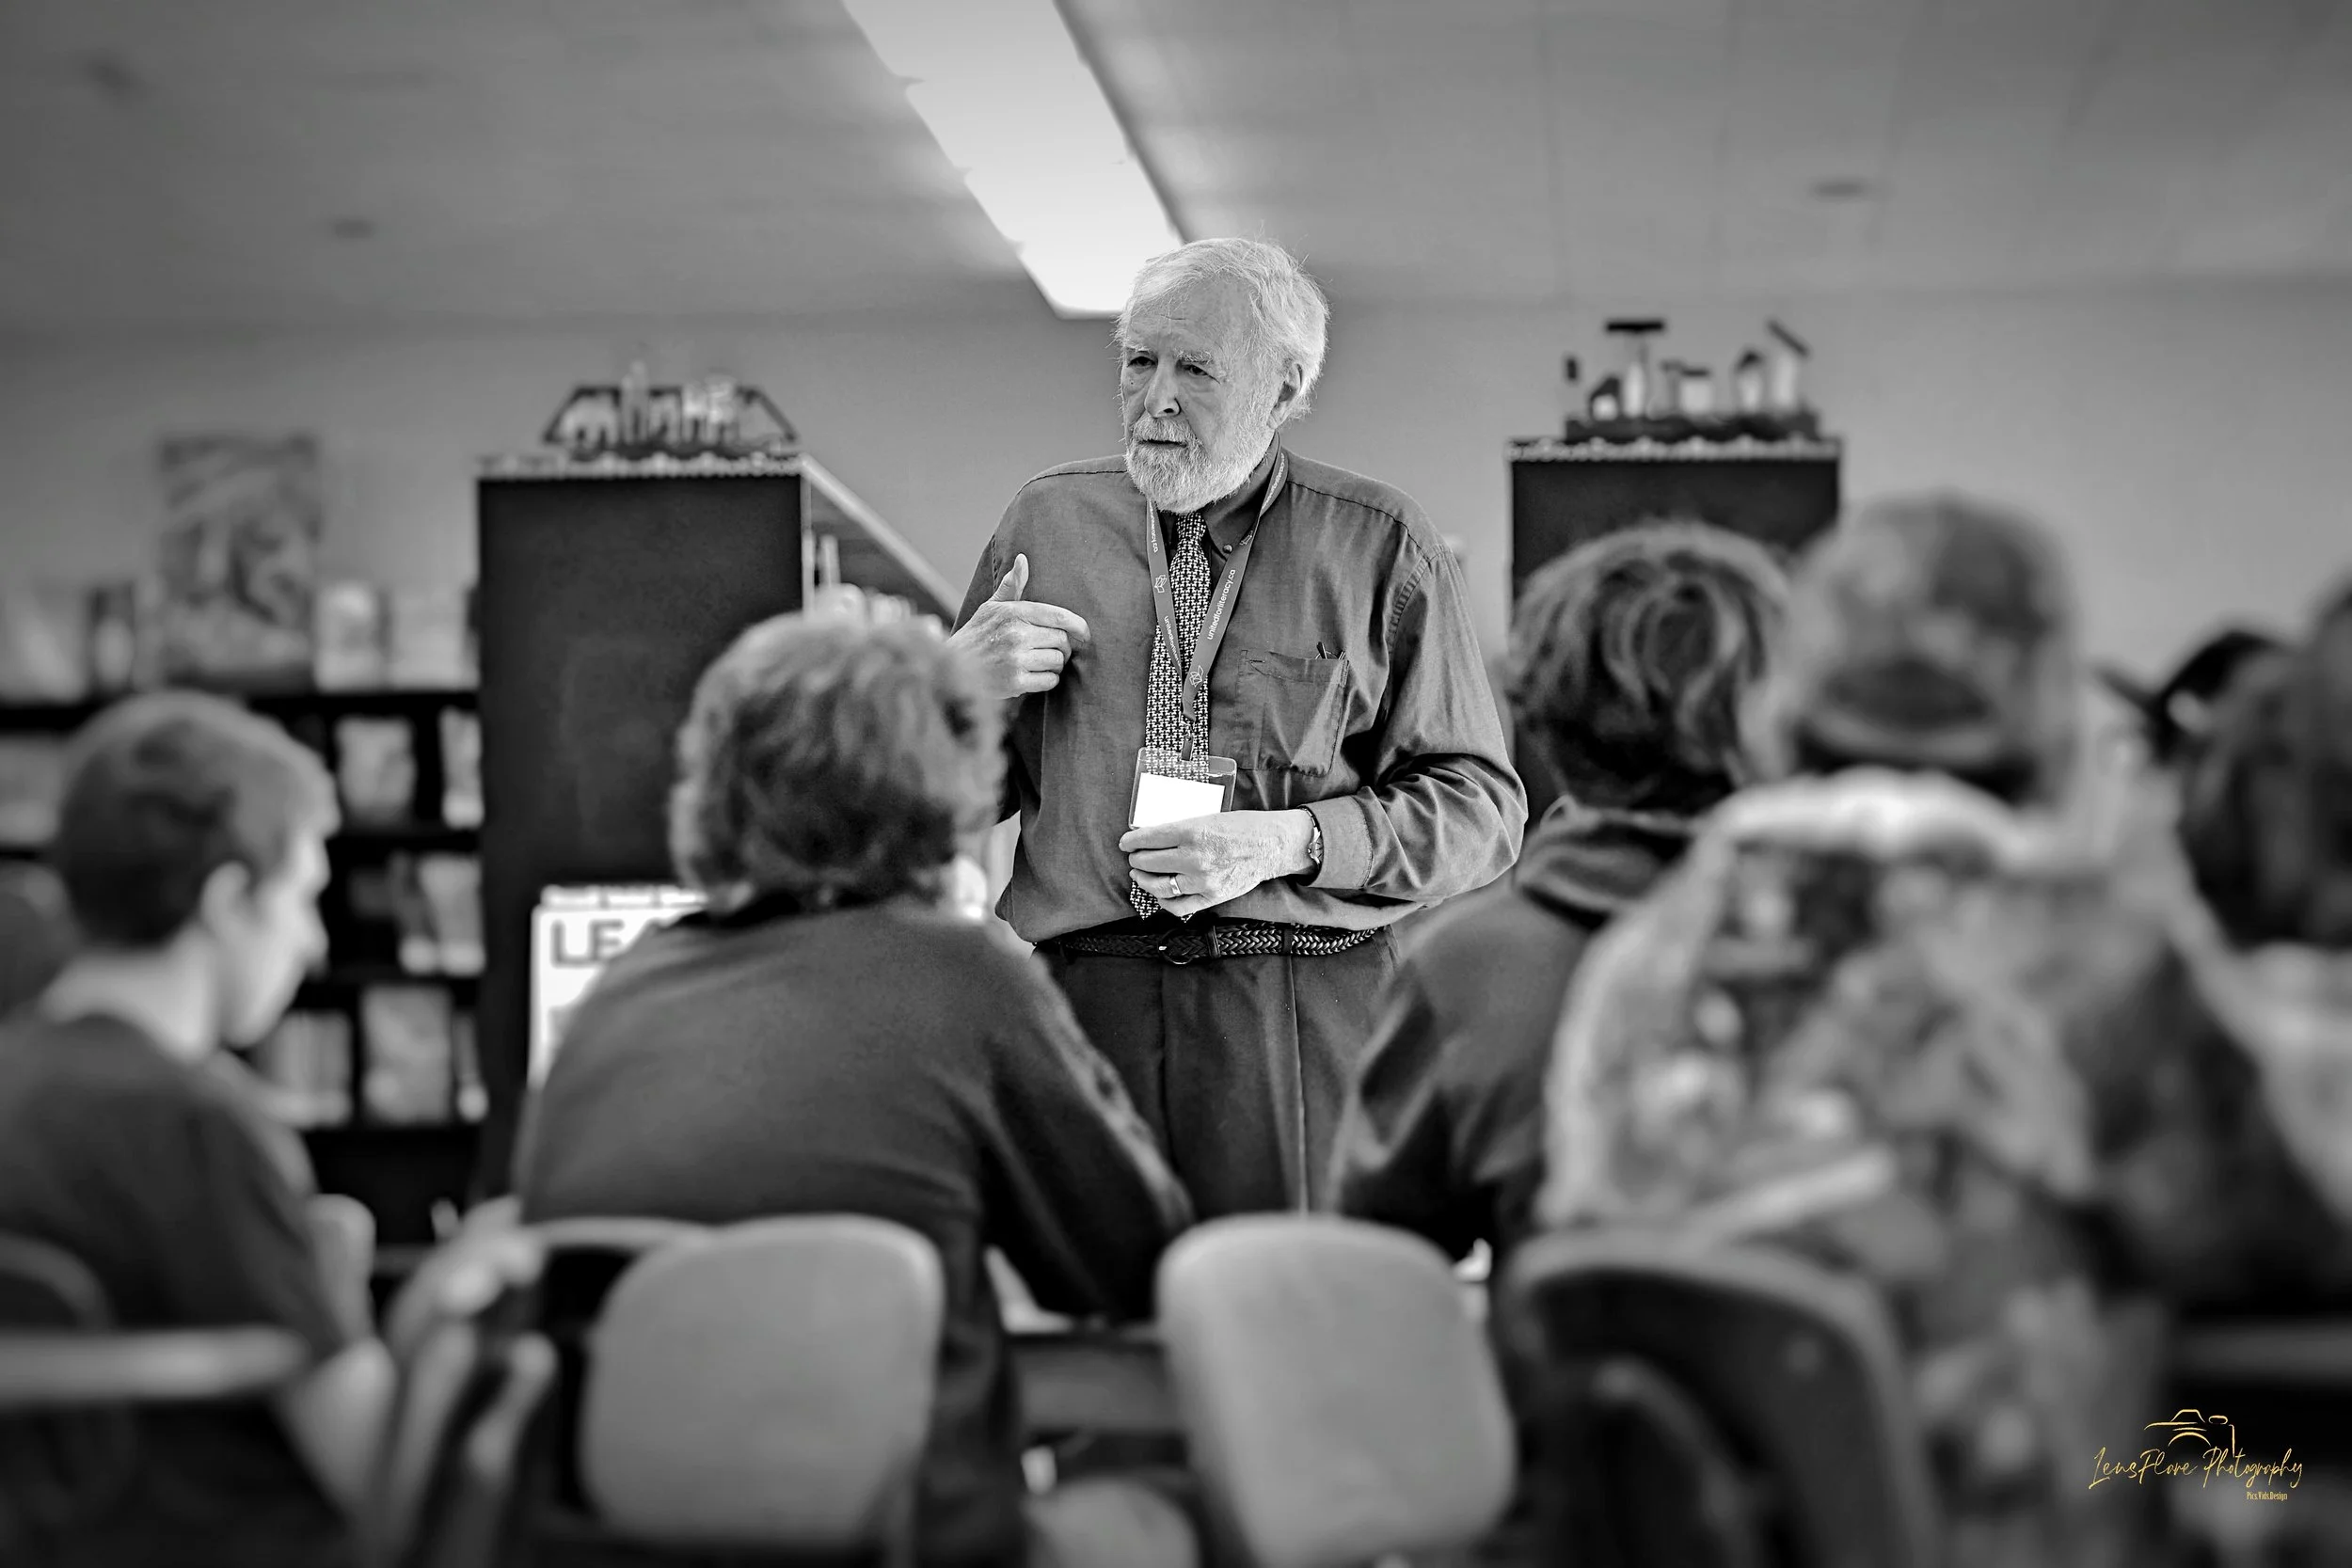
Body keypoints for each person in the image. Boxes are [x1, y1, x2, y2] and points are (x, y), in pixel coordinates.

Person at [1535, 497, 2351, 1568]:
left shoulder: (1640, 961)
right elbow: (2282, 1240)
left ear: (1784, 710)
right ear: (2049, 723)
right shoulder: (2088, 951)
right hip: (1995, 1527)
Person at [515, 613, 1198, 1568]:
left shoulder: (621, 986)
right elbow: (1127, 1260)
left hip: (610, 1537)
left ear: (710, 785)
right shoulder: (961, 975)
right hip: (893, 1530)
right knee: (1172, 1520)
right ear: (948, 791)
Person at [949, 236, 1525, 1217]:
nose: (1155, 398)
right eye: (1139, 361)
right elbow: (936, 799)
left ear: (1285, 383)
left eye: (1196, 368)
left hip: (1301, 1000)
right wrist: (945, 685)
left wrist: (1294, 837)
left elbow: (1482, 813)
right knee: (1094, 1329)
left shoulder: (1379, 545)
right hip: (1088, 995)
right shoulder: (1045, 526)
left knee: (1289, 1312)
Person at [0, 693, 392, 1568]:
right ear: (227, 899)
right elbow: (374, 1469)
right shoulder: (202, 1125)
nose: (313, 939)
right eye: (301, 898)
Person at [1330, 520, 1786, 1268]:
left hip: (1562, 1375)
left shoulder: (1464, 966)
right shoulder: (1889, 946)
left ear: (1540, 716)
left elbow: (1381, 1262)